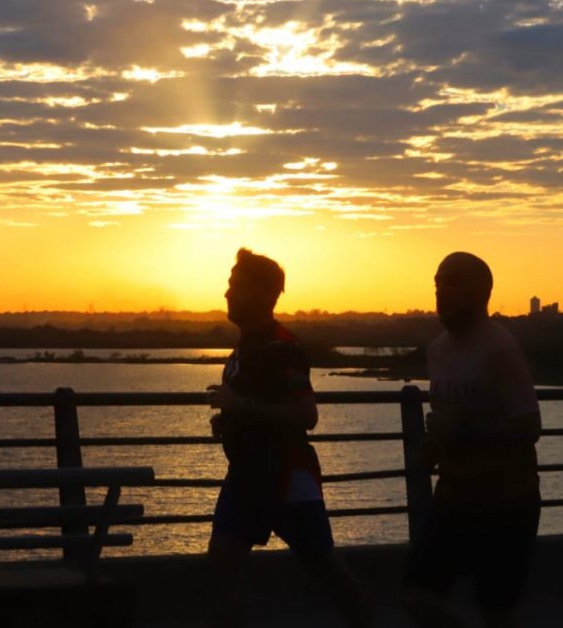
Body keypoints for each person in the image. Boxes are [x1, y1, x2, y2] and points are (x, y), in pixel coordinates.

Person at [204, 248, 371, 628]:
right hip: (246, 477)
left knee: (328, 571)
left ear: (265, 295)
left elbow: (305, 415)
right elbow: (255, 407)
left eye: (236, 287)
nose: (227, 294)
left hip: (285, 477)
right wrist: (231, 421)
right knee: (220, 568)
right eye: (228, 286)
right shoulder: (244, 349)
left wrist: (240, 405)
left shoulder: (284, 348)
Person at [403, 252, 542, 628]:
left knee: (496, 611)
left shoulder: (500, 348)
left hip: (507, 500)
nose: (441, 293)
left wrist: (463, 433)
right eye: (437, 284)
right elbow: (450, 418)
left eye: (452, 283)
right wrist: (431, 451)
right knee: (416, 597)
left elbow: (530, 424)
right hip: (454, 494)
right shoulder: (438, 350)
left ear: (481, 292)